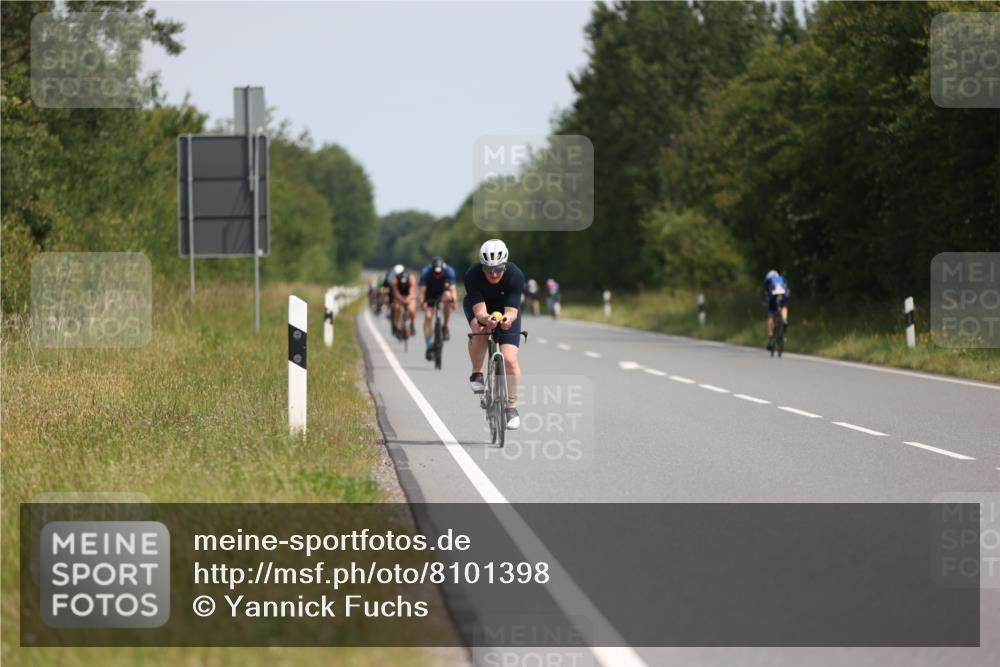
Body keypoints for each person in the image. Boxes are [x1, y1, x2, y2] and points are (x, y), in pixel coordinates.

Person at [464, 239, 524, 429]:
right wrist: (486, 319)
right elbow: (480, 313)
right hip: (481, 307)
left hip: (506, 310)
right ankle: (477, 374)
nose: (494, 273)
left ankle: (511, 407)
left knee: (510, 359)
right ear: (481, 267)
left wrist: (507, 319)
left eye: (498, 268)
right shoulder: (472, 275)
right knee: (479, 329)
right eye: (488, 269)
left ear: (505, 265)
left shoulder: (515, 275)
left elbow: (513, 311)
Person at [419, 256, 458, 360]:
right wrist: (422, 303)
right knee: (428, 316)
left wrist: (454, 301)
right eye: (435, 273)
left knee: (448, 298)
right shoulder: (425, 272)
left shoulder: (449, 271)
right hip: (429, 294)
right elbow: (422, 291)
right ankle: (429, 347)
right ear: (432, 269)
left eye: (439, 273)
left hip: (443, 292)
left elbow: (453, 289)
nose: (437, 275)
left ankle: (445, 326)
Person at [762, 269, 791, 351]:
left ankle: (771, 338)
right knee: (784, 306)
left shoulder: (767, 280)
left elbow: (766, 292)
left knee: (771, 315)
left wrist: (766, 302)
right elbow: (787, 288)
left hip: (773, 296)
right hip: (784, 294)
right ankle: (784, 320)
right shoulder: (782, 278)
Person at [391, 265, 417, 339]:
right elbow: (395, 291)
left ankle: (412, 324)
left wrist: (408, 299)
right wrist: (400, 298)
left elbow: (412, 290)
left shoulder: (411, 277)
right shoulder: (395, 279)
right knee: (397, 307)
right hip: (400, 296)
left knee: (411, 309)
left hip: (409, 295)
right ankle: (397, 325)